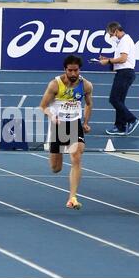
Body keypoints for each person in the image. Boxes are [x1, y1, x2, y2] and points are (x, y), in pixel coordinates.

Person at [40, 55, 93, 209]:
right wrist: (52, 116)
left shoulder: (86, 85)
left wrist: (86, 122)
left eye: (75, 70)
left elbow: (89, 104)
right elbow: (43, 106)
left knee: (76, 156)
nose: (73, 74)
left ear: (79, 70)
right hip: (58, 125)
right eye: (70, 70)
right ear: (65, 70)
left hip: (74, 123)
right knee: (56, 168)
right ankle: (59, 149)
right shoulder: (55, 85)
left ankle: (72, 198)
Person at [99, 21, 139, 136]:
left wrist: (108, 61)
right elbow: (120, 59)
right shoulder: (123, 41)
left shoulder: (125, 41)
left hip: (125, 73)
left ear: (116, 31)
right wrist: (107, 59)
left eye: (111, 34)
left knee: (114, 99)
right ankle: (120, 126)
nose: (111, 37)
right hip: (125, 73)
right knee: (119, 101)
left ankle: (132, 119)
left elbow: (123, 59)